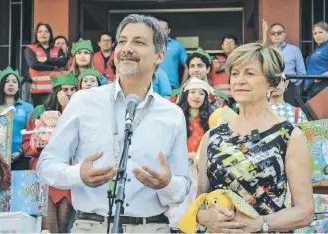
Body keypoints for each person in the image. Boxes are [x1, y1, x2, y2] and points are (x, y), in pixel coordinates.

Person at [36, 14, 190, 233]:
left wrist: (167, 183)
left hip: (150, 226)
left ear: (159, 56)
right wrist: (78, 174)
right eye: (122, 41)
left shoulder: (172, 114)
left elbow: (182, 188)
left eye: (138, 42)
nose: (127, 48)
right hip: (90, 225)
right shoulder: (84, 100)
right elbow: (46, 167)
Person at [196, 43, 314, 233]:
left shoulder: (289, 135)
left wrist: (259, 224)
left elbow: (305, 210)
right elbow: (199, 202)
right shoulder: (213, 136)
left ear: (271, 83)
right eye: (235, 73)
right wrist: (206, 217)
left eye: (249, 73)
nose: (239, 80)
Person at [22, 71, 77, 233]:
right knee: (47, 226)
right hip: (43, 174)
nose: (68, 93)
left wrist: (66, 106)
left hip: (66, 175)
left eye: (72, 89)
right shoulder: (39, 111)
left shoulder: (77, 111)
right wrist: (39, 144)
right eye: (64, 89)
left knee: (63, 225)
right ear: (56, 91)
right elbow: (27, 143)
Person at [168, 77, 212, 232]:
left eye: (201, 93)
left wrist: (197, 157)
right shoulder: (177, 116)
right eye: (192, 92)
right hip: (180, 165)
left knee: (197, 195)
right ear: (185, 95)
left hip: (201, 167)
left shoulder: (210, 120)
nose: (196, 96)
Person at [25, 22, 67, 106]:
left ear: (50, 34)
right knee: (40, 117)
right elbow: (34, 65)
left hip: (55, 91)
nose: (43, 34)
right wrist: (54, 66)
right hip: (37, 92)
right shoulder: (30, 49)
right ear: (36, 34)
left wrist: (47, 59)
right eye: (40, 31)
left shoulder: (58, 49)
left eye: (46, 31)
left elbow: (63, 61)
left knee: (55, 116)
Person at [0, 67, 33, 170]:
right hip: (0, 157)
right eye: (7, 81)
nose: (11, 84)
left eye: (14, 82)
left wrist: (21, 152)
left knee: (19, 186)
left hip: (21, 157)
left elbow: (31, 134)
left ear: (18, 87)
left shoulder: (27, 107)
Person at [269, 23, 306, 106]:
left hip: (290, 87)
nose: (276, 35)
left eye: (279, 33)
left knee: (290, 114)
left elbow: (302, 72)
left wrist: (293, 85)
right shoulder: (267, 51)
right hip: (271, 87)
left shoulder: (294, 50)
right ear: (270, 35)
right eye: (273, 33)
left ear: (284, 34)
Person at [158, 19, 189, 89]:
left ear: (169, 30)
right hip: (153, 87)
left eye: (164, 29)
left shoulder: (177, 45)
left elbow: (187, 66)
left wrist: (181, 87)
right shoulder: (150, 45)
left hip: (172, 88)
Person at [305, 21, 328, 100]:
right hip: (313, 87)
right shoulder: (318, 48)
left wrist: (321, 77)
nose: (318, 35)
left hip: (323, 86)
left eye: (320, 32)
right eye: (315, 33)